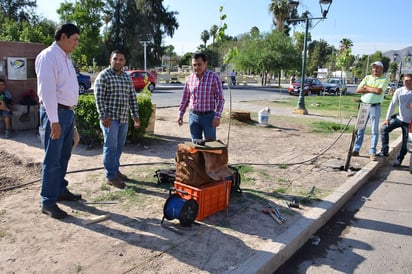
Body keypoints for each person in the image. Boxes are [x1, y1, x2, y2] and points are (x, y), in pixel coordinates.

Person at [35, 23, 82, 219]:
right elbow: (47, 91)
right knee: (52, 160)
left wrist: (71, 121)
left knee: (63, 157)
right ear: (63, 37)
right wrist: (54, 121)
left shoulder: (65, 58)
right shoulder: (49, 56)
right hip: (55, 114)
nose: (76, 44)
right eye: (74, 40)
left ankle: (60, 190)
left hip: (66, 114)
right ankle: (48, 202)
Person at [94, 50, 140, 189]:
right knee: (110, 147)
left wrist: (135, 116)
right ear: (110, 60)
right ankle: (110, 176)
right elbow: (98, 98)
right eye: (115, 59)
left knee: (119, 147)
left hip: (123, 119)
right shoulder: (103, 76)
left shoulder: (126, 78)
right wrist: (103, 116)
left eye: (121, 59)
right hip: (110, 119)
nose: (118, 62)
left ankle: (115, 170)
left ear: (124, 62)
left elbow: (132, 97)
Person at [177, 52, 225, 142]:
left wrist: (217, 116)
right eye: (194, 65)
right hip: (194, 117)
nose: (196, 67)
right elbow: (185, 99)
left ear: (205, 63)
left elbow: (220, 99)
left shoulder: (214, 77)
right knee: (195, 148)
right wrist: (180, 114)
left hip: (209, 117)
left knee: (210, 146)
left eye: (199, 64)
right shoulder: (189, 79)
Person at [352, 61, 389, 161]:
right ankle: (356, 149)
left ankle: (372, 152)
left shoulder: (384, 80)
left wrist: (366, 87)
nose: (375, 70)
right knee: (360, 128)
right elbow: (358, 90)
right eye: (374, 68)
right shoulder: (367, 77)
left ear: (382, 69)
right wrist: (371, 89)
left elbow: (379, 91)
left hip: (375, 107)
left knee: (374, 130)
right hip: (364, 105)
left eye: (377, 68)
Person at [378, 73, 412, 166]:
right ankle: (384, 150)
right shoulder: (399, 91)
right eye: (406, 81)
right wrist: (387, 118)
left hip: (409, 123)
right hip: (399, 118)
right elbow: (392, 105)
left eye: (409, 81)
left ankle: (399, 159)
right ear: (403, 81)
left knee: (405, 143)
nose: (408, 82)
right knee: (384, 129)